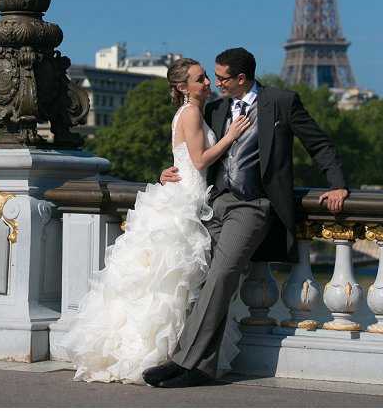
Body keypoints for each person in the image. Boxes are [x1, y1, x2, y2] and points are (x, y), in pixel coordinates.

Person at [143, 46, 349, 389]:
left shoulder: (281, 102)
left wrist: (338, 185)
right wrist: (171, 171)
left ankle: (184, 362)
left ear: (241, 78)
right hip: (215, 204)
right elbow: (198, 154)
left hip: (253, 206)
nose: (214, 83)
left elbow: (319, 144)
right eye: (209, 77)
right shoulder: (215, 108)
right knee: (207, 281)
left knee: (222, 275)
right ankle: (201, 365)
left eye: (221, 78)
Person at [58, 57, 251, 384]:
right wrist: (231, 135)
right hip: (187, 201)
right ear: (182, 87)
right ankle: (164, 355)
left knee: (167, 282)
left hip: (184, 195)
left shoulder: (190, 112)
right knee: (173, 282)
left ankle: (166, 354)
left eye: (206, 78)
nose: (207, 83)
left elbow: (185, 159)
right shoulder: (191, 113)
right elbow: (201, 159)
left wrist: (167, 170)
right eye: (200, 79)